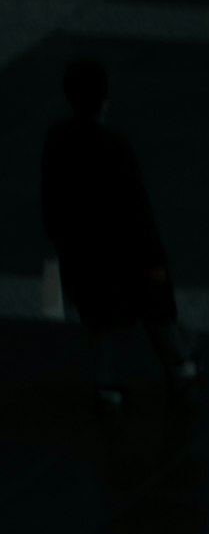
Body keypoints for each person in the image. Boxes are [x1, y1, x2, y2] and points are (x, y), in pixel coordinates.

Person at [40, 55, 193, 408]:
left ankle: (107, 384)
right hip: (124, 253)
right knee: (154, 311)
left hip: (81, 252)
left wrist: (61, 240)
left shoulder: (57, 138)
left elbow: (51, 198)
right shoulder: (116, 147)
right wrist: (155, 258)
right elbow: (137, 209)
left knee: (99, 322)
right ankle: (180, 366)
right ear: (103, 97)